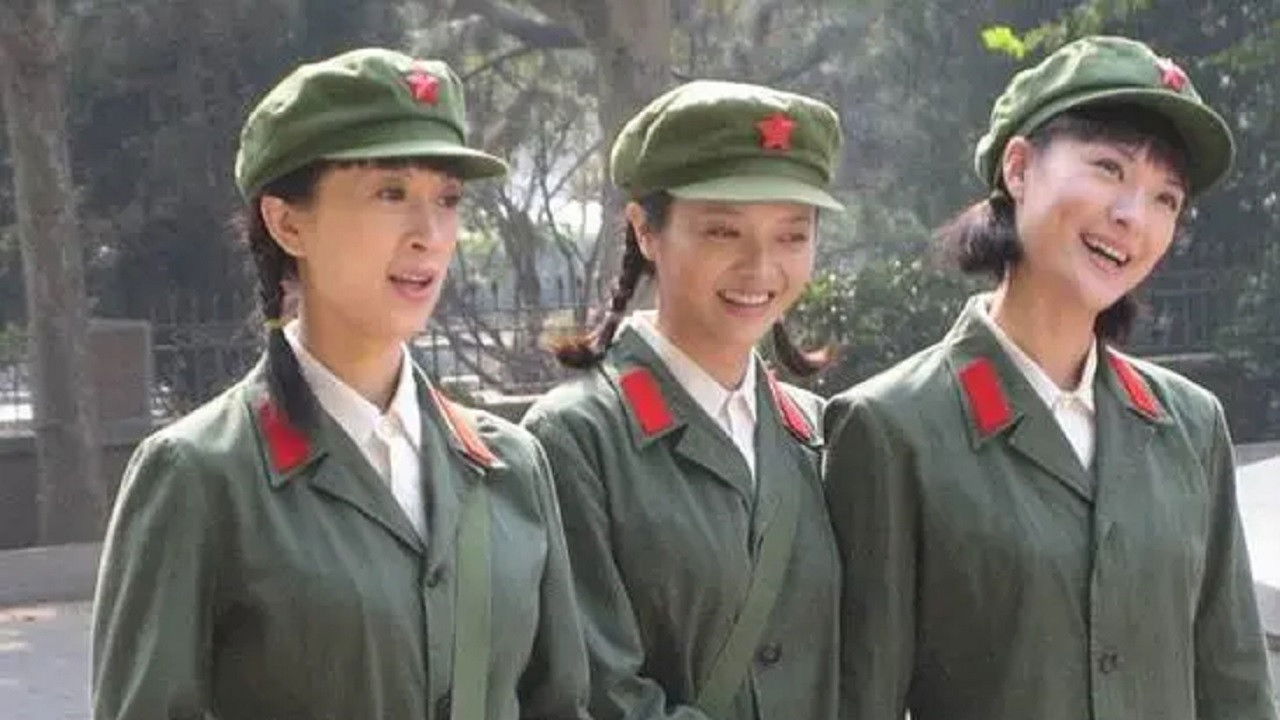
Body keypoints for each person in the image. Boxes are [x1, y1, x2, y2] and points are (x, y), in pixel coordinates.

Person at [92, 48, 590, 720]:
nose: (430, 235)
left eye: (447, 199)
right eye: (391, 194)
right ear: (287, 222)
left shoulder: (510, 467)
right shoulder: (201, 477)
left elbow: (559, 704)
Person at [824, 35, 1276, 720]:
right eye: (1109, 168)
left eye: (1167, 198)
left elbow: (1234, 687)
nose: (1133, 217)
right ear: (1019, 168)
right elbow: (863, 698)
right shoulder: (892, 429)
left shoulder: (1190, 425)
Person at [521, 79, 843, 720]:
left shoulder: (815, 434)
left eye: (791, 236)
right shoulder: (576, 438)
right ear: (646, 230)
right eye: (723, 231)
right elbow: (598, 693)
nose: (760, 267)